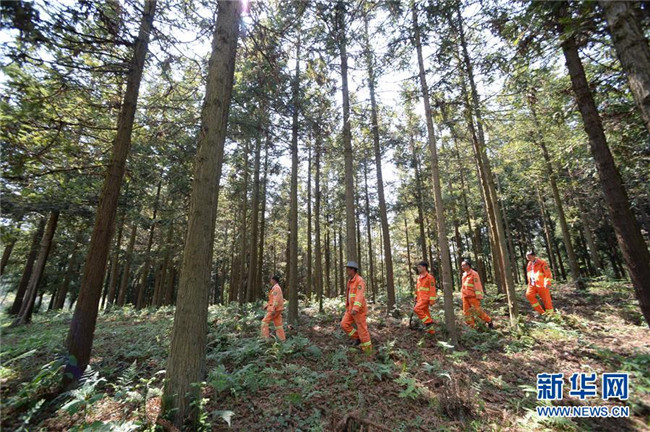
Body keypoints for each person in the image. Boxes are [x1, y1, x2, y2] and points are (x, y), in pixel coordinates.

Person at [340, 261, 372, 353]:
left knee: (362, 330)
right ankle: (357, 338)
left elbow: (359, 295)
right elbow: (349, 295)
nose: (347, 271)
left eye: (348, 269)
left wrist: (356, 308)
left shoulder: (359, 280)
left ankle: (368, 350)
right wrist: (348, 307)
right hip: (350, 309)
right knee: (344, 324)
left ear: (352, 270)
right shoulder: (350, 281)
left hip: (358, 310)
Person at [461, 260, 493, 329]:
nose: (462, 267)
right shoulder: (464, 275)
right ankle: (471, 326)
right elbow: (463, 286)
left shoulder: (474, 274)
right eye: (462, 266)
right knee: (466, 312)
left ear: (468, 266)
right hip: (465, 296)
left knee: (477, 311)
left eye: (463, 265)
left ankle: (489, 320)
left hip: (473, 296)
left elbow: (477, 285)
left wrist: (479, 296)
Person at [525, 251, 554, 315]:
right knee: (529, 295)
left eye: (529, 255)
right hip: (532, 284)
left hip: (541, 284)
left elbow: (547, 273)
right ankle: (541, 312)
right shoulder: (529, 264)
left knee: (546, 300)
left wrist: (547, 282)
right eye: (527, 256)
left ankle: (550, 315)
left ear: (534, 256)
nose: (527, 257)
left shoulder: (542, 262)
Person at [413, 261, 436, 335]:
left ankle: (428, 322)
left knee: (416, 309)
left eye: (420, 267)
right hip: (419, 298)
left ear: (424, 267)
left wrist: (432, 300)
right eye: (418, 267)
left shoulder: (430, 277)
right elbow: (417, 288)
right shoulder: (419, 277)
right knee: (426, 313)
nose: (418, 269)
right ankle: (431, 331)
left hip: (425, 298)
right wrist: (416, 296)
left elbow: (432, 289)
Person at [261, 275, 286, 341]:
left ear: (273, 280)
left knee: (264, 322)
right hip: (278, 309)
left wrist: (273, 309)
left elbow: (276, 300)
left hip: (275, 310)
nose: (270, 281)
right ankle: (282, 339)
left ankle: (265, 339)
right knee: (278, 325)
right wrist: (267, 306)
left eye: (271, 279)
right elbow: (273, 300)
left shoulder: (276, 288)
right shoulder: (277, 287)